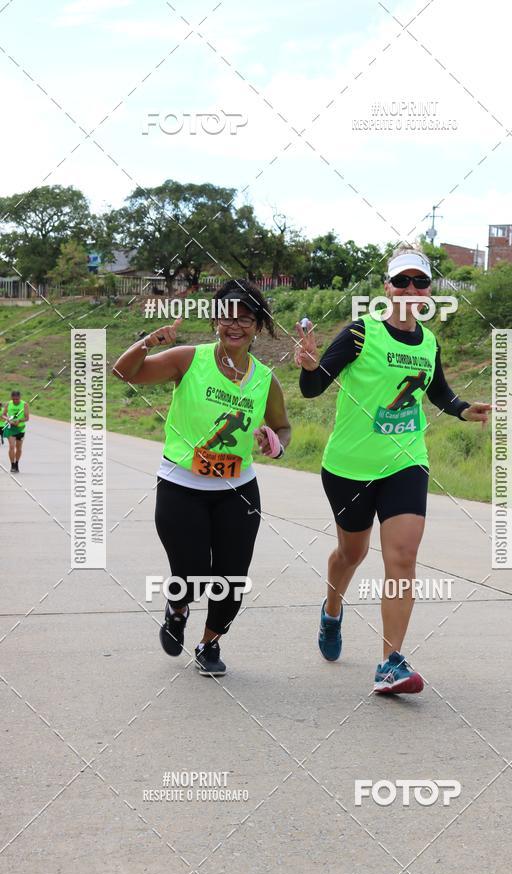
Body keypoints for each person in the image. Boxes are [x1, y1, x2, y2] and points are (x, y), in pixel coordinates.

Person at [295, 248, 492, 695]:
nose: (409, 290)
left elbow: (439, 393)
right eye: (400, 282)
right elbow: (313, 387)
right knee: (352, 553)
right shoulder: (362, 334)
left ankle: (390, 663)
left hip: (406, 461)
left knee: (401, 558)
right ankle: (331, 609)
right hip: (348, 467)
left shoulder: (428, 342)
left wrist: (464, 410)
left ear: (427, 293)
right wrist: (308, 366)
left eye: (419, 283)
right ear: (386, 289)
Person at [113, 280, 291, 676]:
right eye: (227, 316)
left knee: (232, 576)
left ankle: (209, 645)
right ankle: (177, 609)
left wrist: (274, 443)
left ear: (258, 326)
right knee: (191, 574)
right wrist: (148, 341)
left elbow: (283, 427)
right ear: (214, 321)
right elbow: (124, 373)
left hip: (238, 490)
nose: (235, 325)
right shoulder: (188, 359)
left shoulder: (265, 380)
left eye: (246, 318)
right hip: (182, 487)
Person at [2, 390, 29, 473]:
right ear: (11, 398)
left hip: (20, 428)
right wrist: (8, 419)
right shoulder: (8, 404)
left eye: (17, 399)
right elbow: (3, 415)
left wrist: (19, 420)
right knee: (11, 446)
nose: (15, 401)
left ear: (20, 398)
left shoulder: (24, 405)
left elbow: (27, 418)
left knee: (19, 448)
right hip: (10, 428)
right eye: (14, 399)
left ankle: (17, 463)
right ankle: (12, 465)